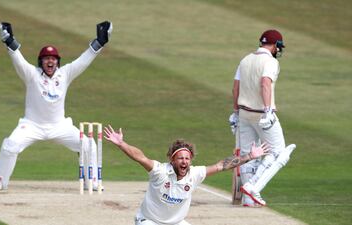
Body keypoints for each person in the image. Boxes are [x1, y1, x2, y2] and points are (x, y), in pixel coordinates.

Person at [0, 21, 113, 191]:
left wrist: (99, 42)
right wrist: (9, 41)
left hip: (59, 126)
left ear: (57, 62)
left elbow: (83, 61)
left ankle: (91, 181)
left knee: (88, 144)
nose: (50, 62)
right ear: (41, 61)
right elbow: (19, 60)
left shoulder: (65, 74)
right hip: (32, 125)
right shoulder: (31, 74)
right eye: (47, 59)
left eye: (53, 59)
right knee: (10, 145)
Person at [104, 125, 269, 225]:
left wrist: (250, 156)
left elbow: (221, 165)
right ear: (172, 159)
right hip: (149, 221)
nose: (184, 161)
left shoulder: (195, 174)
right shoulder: (159, 171)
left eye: (187, 158)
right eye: (180, 158)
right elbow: (140, 157)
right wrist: (121, 144)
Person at [228, 29, 296, 206]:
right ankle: (253, 188)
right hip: (261, 114)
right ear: (275, 46)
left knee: (248, 154)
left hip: (243, 113)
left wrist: (235, 113)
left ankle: (247, 200)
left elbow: (236, 88)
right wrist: (268, 110)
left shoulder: (245, 60)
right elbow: (265, 83)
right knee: (280, 153)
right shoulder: (270, 62)